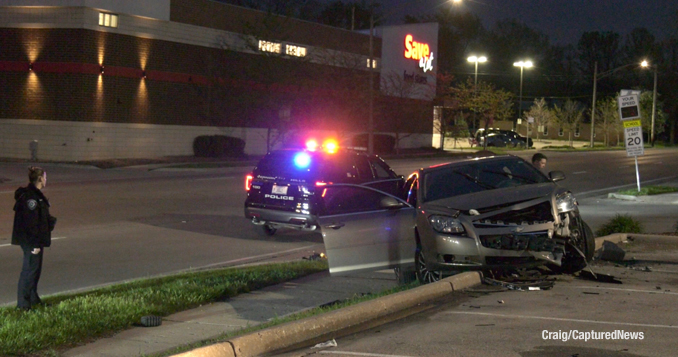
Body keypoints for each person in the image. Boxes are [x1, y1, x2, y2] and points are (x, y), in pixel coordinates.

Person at [12, 166, 56, 311]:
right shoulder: (31, 198)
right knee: (29, 270)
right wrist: (35, 244)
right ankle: (23, 305)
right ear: (39, 179)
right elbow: (31, 224)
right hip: (31, 241)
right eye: (45, 176)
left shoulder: (36, 195)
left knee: (35, 270)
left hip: (36, 239)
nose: (46, 179)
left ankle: (33, 298)